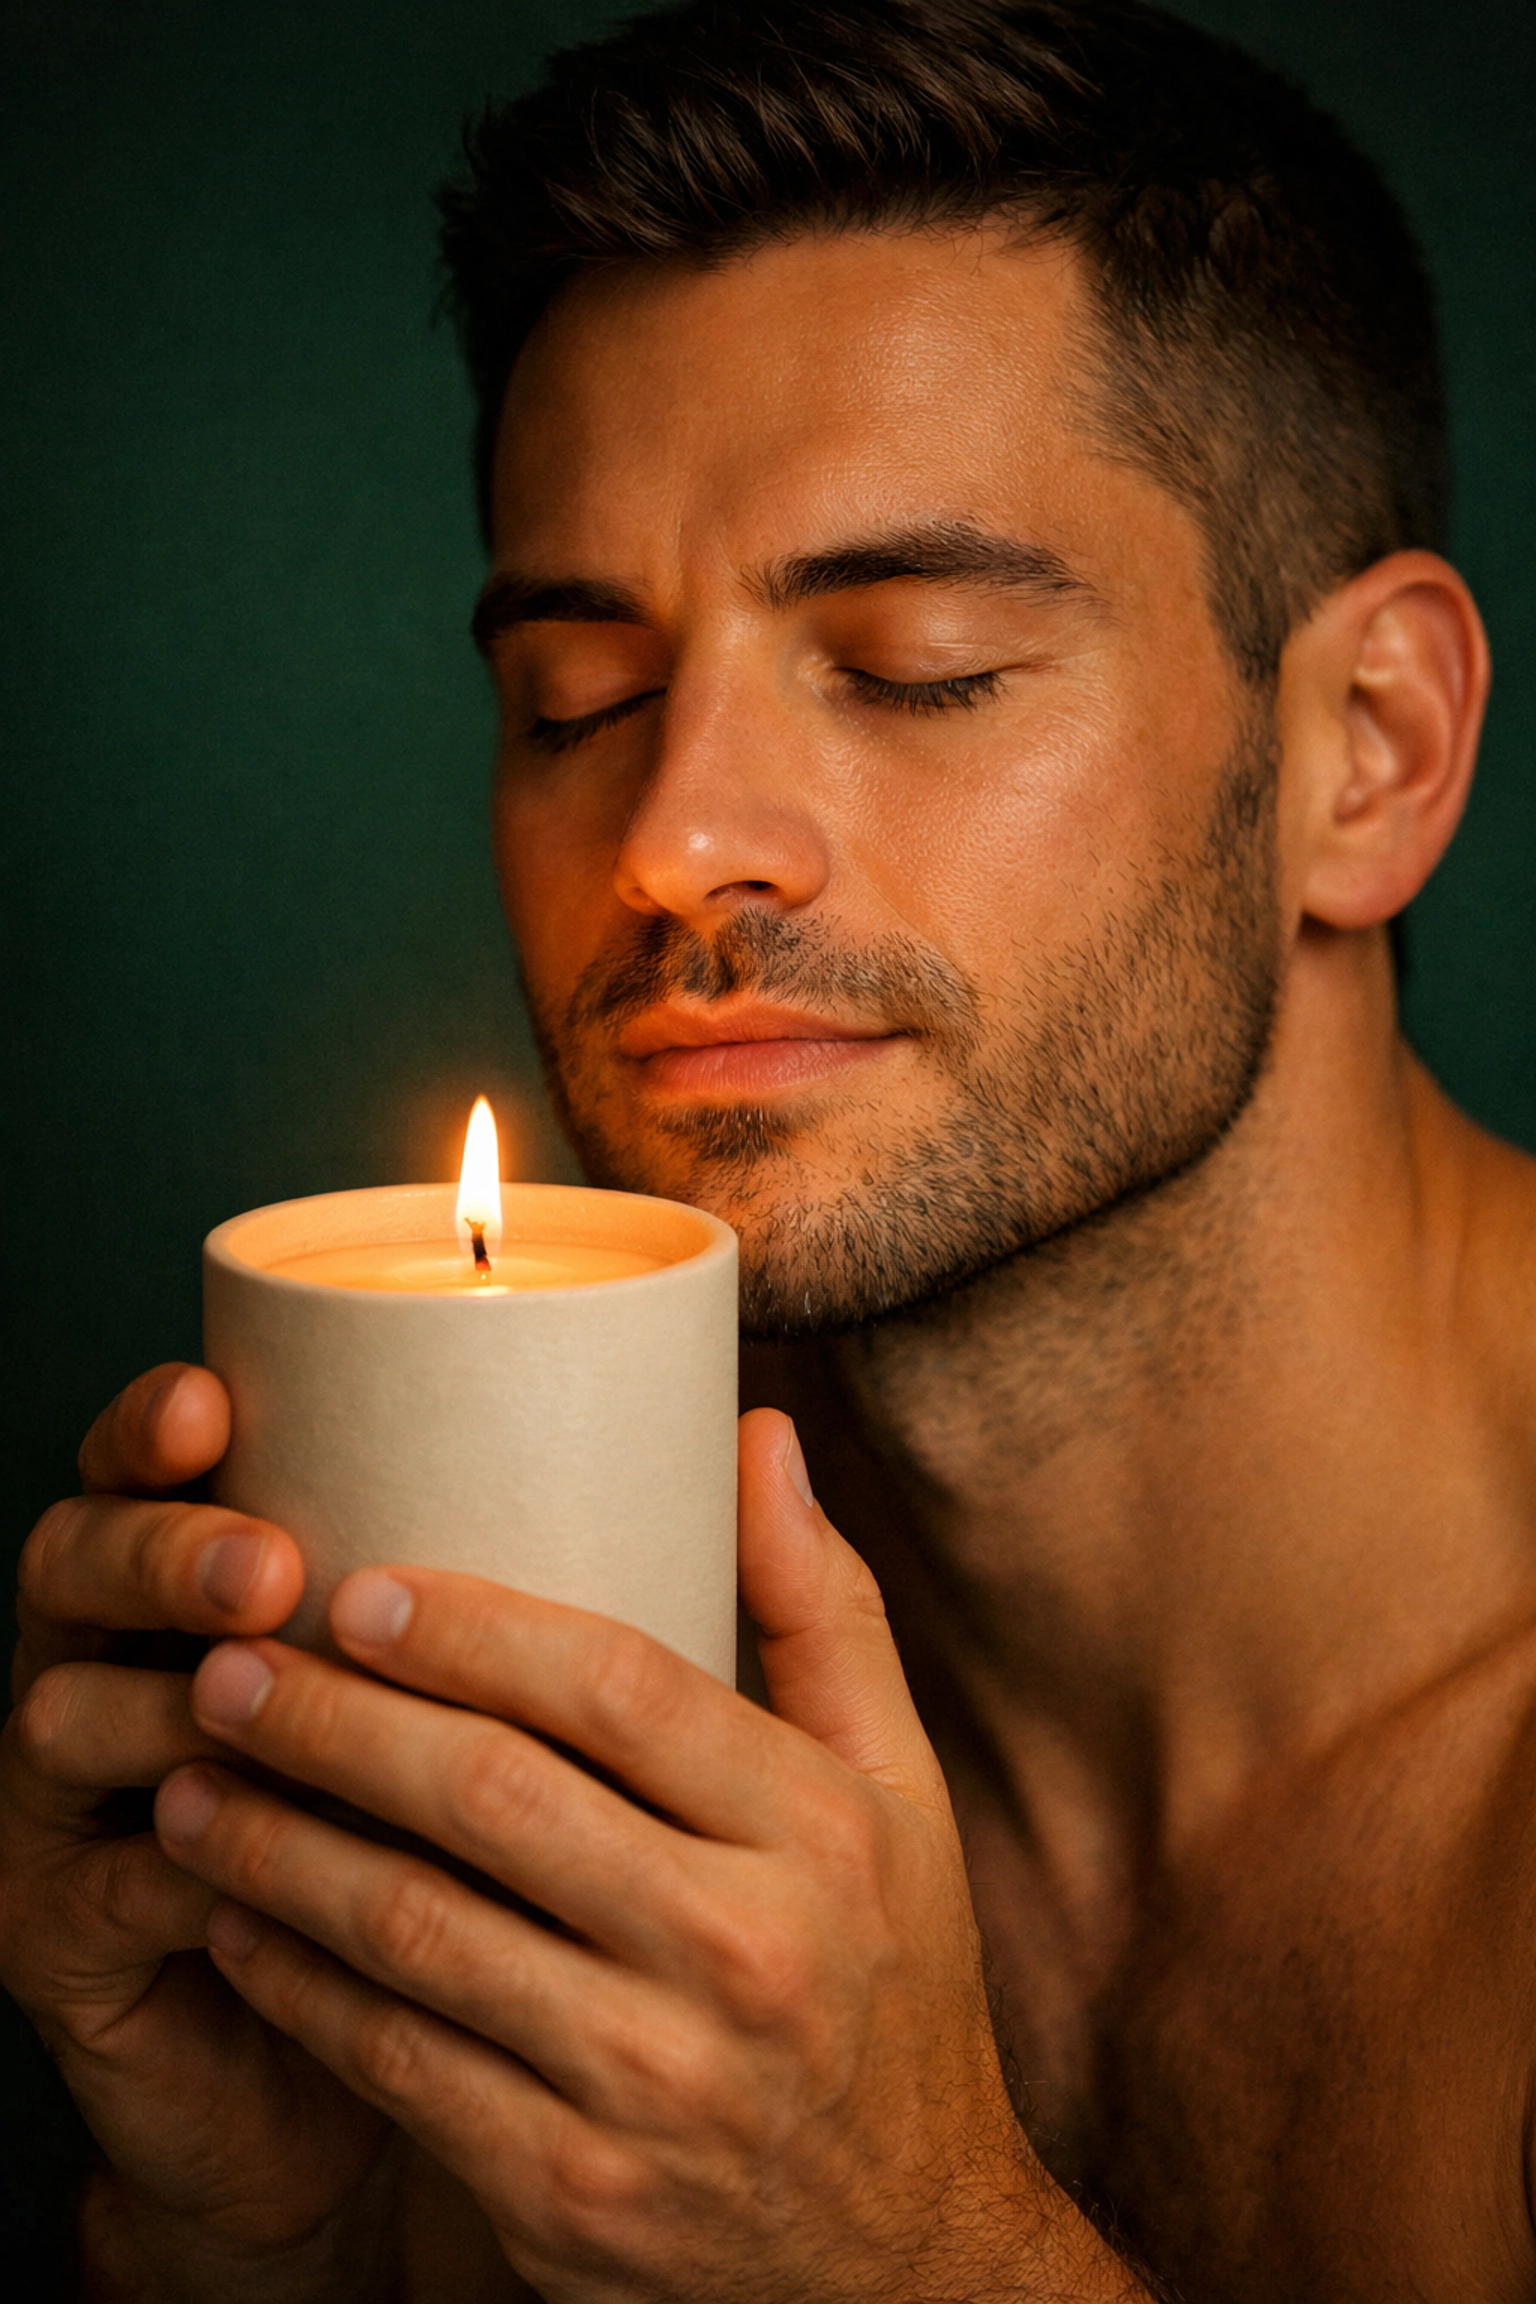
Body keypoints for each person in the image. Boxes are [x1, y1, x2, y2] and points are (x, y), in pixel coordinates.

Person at [1, 0, 1526, 2294]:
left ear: (1370, 756)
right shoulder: (529, 1694)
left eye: (912, 664)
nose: (673, 840)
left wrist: (914, 2249)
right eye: (576, 704)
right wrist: (252, 2237)